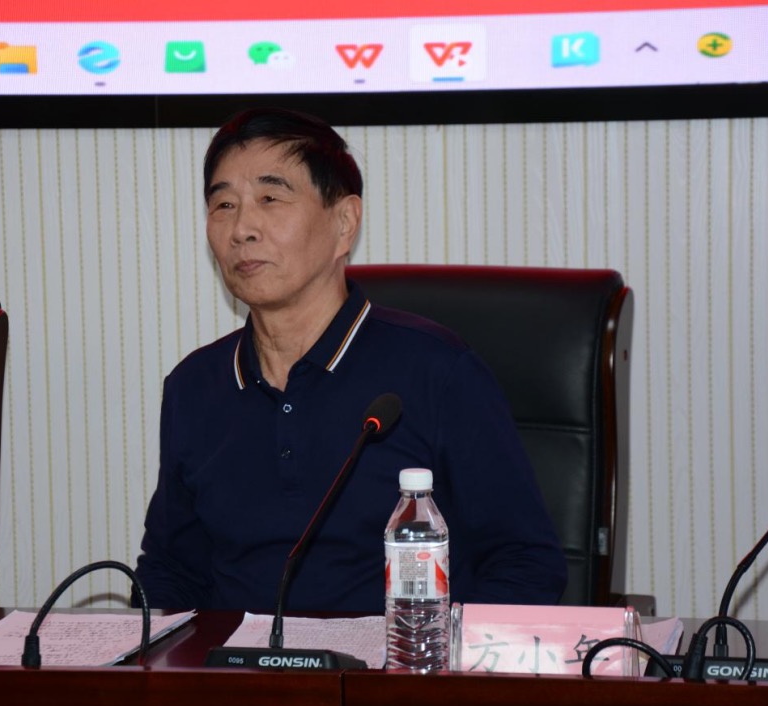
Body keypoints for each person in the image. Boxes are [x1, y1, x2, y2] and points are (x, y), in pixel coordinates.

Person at [133, 107, 566, 613]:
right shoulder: (193, 387)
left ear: (344, 223)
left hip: (402, 658)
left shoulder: (438, 372)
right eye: (223, 204)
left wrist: (433, 653)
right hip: (237, 662)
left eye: (270, 198)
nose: (242, 228)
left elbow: (525, 563)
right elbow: (172, 572)